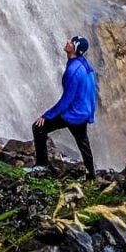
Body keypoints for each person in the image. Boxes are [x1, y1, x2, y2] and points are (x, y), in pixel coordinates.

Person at [32, 35, 97, 179]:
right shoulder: (85, 66)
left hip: (73, 113)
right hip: (83, 111)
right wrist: (90, 112)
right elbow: (92, 91)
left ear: (74, 49)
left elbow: (66, 101)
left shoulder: (73, 71)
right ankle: (91, 175)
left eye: (71, 42)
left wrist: (46, 116)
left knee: (38, 127)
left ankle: (41, 166)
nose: (67, 41)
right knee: (83, 142)